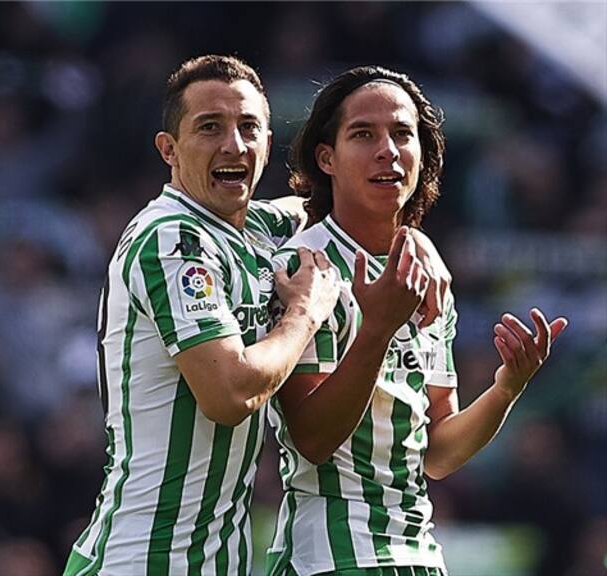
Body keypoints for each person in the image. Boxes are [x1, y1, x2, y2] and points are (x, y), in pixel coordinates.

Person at [63, 56, 450, 576]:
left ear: (268, 143)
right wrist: (304, 315)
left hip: (216, 562)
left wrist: (415, 240)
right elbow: (231, 395)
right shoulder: (172, 238)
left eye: (249, 127)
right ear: (168, 150)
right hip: (143, 558)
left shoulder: (256, 229)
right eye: (209, 127)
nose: (234, 145)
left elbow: (349, 208)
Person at [265, 66, 567, 576]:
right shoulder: (304, 268)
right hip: (333, 557)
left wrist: (505, 389)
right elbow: (312, 440)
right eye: (363, 134)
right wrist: (377, 329)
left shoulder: (426, 273)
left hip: (418, 554)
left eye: (402, 134)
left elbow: (438, 453)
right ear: (326, 158)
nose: (387, 149)